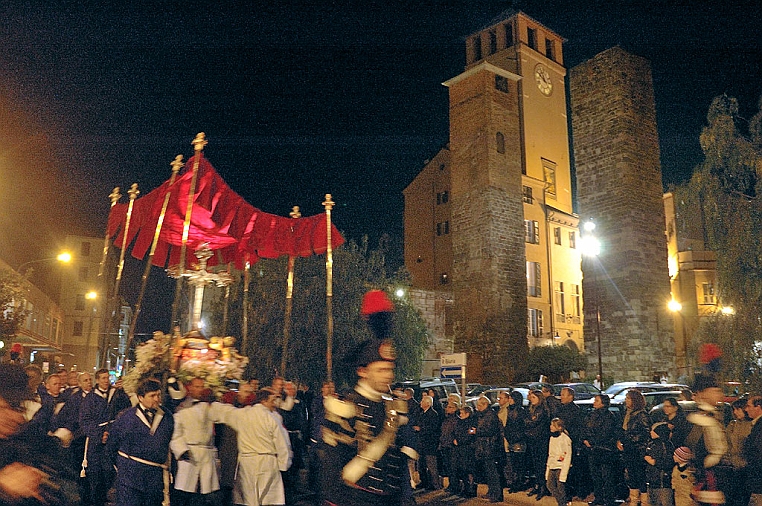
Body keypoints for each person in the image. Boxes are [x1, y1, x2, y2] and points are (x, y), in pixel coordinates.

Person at [319, 289, 412, 506]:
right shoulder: (344, 406)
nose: (388, 375)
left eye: (390, 369)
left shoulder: (394, 405)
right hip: (356, 497)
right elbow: (331, 465)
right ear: (363, 371)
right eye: (381, 370)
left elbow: (399, 458)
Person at [214, 388, 292, 506]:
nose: (274, 404)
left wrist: (211, 403)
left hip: (247, 462)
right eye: (272, 400)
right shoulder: (271, 418)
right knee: (267, 498)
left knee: (250, 498)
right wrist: (283, 464)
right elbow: (282, 442)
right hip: (267, 462)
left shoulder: (243, 414)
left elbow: (226, 412)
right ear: (263, 401)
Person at [108, 378, 174, 506]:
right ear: (140, 397)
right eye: (152, 396)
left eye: (158, 395)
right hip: (130, 478)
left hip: (154, 478)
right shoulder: (127, 417)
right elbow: (112, 445)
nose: (157, 399)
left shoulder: (167, 417)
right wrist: (121, 468)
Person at [80, 368, 131, 506]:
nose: (106, 381)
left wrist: (123, 392)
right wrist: (99, 434)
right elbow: (85, 421)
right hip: (95, 443)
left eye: (107, 378)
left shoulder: (116, 395)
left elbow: (126, 409)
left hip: (111, 441)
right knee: (95, 474)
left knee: (109, 471)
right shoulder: (90, 398)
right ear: (97, 380)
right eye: (103, 378)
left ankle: (103, 496)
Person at [170, 377, 222, 506]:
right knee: (185, 491)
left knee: (207, 493)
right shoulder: (182, 408)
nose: (199, 389)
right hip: (189, 454)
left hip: (206, 454)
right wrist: (182, 450)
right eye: (197, 386)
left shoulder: (209, 407)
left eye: (201, 387)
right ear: (190, 387)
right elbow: (176, 433)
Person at [684, 373, 729, 506]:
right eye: (714, 391)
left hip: (714, 477)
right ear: (702, 393)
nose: (719, 395)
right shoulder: (702, 419)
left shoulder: (711, 416)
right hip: (709, 479)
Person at [584, 394, 621, 506]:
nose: (594, 402)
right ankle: (598, 498)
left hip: (605, 450)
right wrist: (585, 440)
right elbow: (585, 428)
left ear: (603, 403)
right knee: (596, 476)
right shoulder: (591, 415)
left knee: (607, 476)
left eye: (596, 400)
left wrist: (592, 442)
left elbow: (605, 433)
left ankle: (608, 499)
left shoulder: (609, 416)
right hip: (593, 450)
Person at [618, 390, 652, 506]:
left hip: (638, 450)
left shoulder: (641, 415)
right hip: (628, 450)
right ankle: (633, 500)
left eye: (628, 398)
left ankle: (644, 501)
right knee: (631, 476)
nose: (626, 400)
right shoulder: (627, 413)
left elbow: (645, 433)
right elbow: (623, 430)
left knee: (640, 476)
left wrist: (631, 439)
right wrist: (620, 441)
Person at [557, 386, 589, 501]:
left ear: (571, 397)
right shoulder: (560, 409)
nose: (561, 397)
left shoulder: (575, 411)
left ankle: (577, 492)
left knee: (574, 470)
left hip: (572, 444)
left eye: (563, 394)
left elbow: (578, 428)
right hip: (561, 444)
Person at [474, 395, 503, 502]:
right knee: (488, 472)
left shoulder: (490, 416)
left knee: (493, 472)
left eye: (479, 405)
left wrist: (477, 431)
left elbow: (491, 431)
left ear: (485, 405)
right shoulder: (482, 415)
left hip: (490, 448)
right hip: (484, 447)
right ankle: (491, 492)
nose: (478, 407)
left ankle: (496, 494)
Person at [725, 398, 752, 506]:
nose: (735, 412)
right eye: (734, 410)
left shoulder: (752, 425)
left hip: (746, 466)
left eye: (738, 409)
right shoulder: (733, 425)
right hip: (733, 466)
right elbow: (727, 442)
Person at [526, 389, 551, 500]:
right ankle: (538, 485)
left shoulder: (542, 410)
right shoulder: (532, 409)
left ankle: (543, 487)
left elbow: (533, 422)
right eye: (531, 397)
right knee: (535, 465)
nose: (531, 400)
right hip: (533, 439)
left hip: (540, 440)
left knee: (541, 465)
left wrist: (527, 422)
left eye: (534, 398)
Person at [644, 422, 675, 506]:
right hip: (652, 481)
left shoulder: (666, 446)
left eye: (653, 430)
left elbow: (668, 462)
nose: (650, 432)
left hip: (662, 483)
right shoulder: (652, 444)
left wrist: (654, 462)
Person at [415, 394, 442, 490]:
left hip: (429, 444)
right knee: (421, 465)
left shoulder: (433, 414)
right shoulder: (422, 413)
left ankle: (435, 484)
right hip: (422, 443)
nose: (420, 403)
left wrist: (421, 429)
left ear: (428, 403)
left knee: (431, 466)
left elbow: (433, 428)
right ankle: (425, 482)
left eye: (422, 402)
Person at [504, 390, 528, 493]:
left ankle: (518, 483)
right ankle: (515, 483)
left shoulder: (520, 411)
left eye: (511, 398)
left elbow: (521, 427)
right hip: (511, 440)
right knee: (513, 464)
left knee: (519, 465)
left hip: (518, 441)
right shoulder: (510, 410)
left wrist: (515, 436)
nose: (509, 400)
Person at [546, 417, 573, 506]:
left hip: (560, 466)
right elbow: (550, 454)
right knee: (550, 485)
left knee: (560, 487)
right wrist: (548, 468)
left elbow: (568, 455)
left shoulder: (565, 439)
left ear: (560, 427)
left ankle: (563, 503)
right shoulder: (552, 438)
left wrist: (564, 472)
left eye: (553, 426)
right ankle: (562, 502)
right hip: (553, 465)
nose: (551, 427)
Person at [452, 406, 477, 497]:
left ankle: (471, 489)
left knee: (469, 469)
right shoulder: (460, 422)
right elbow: (455, 432)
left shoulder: (471, 423)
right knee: (462, 470)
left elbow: (470, 436)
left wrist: (460, 441)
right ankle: (465, 488)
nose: (460, 415)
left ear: (467, 414)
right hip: (460, 449)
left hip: (468, 449)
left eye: (462, 413)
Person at [742, 396, 762, 506]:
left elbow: (757, 452)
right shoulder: (756, 425)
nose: (746, 409)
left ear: (758, 407)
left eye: (749, 406)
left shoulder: (759, 426)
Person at [439, 401, 460, 494]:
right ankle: (452, 485)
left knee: (453, 468)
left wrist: (453, 440)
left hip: (452, 447)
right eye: (447, 407)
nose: (447, 409)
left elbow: (455, 432)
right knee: (449, 467)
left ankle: (455, 486)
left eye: (450, 407)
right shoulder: (446, 419)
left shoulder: (456, 420)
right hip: (445, 445)